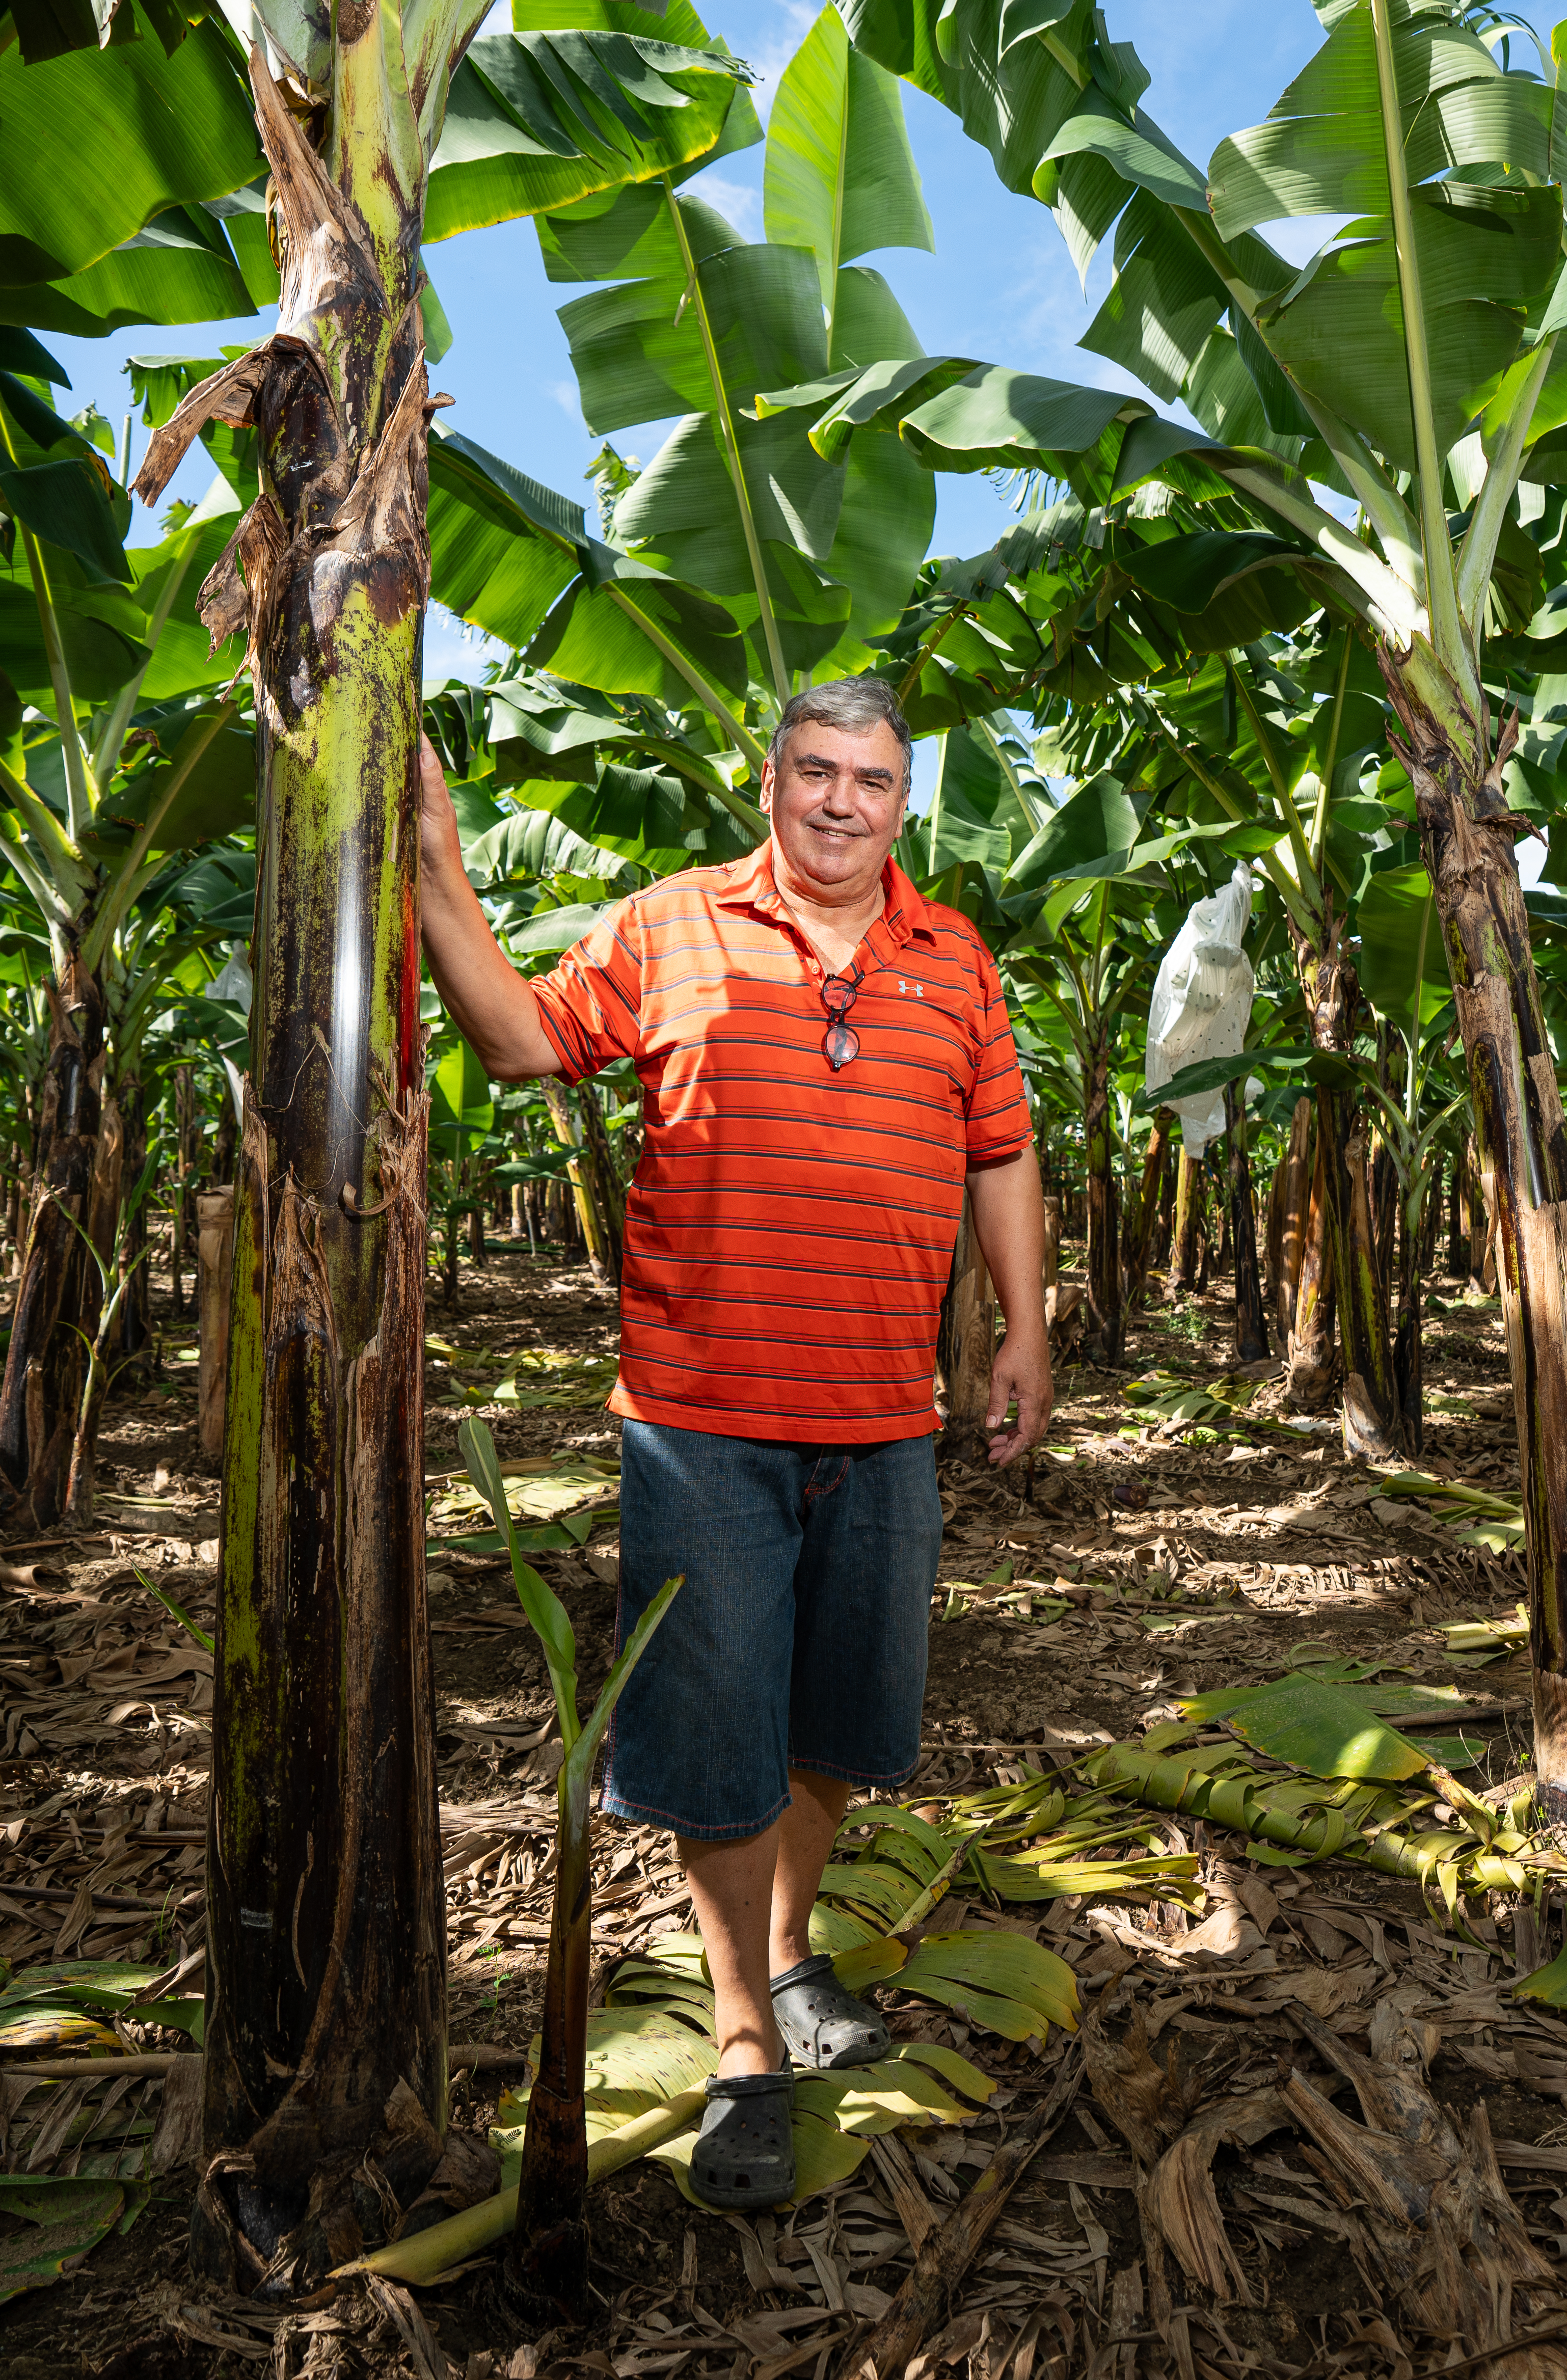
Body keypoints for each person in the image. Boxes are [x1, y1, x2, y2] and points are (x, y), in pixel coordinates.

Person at [417, 674, 1054, 2209]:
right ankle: (747, 2039)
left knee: (841, 1730)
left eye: (874, 782)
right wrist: (436, 870)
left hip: (886, 1416)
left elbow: (1004, 1149)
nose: (843, 802)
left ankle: (790, 1942)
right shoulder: (670, 924)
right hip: (706, 1421)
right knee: (714, 1748)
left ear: (906, 803)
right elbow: (520, 1044)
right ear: (769, 779)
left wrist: (1029, 1326)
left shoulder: (953, 957)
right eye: (817, 772)